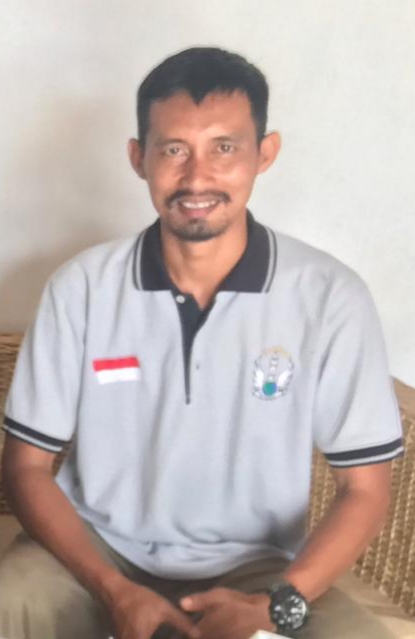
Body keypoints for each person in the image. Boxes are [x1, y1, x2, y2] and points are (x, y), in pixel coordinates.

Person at [0, 47, 403, 639]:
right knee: (9, 602)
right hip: (95, 553)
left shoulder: (329, 296)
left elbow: (364, 489)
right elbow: (26, 467)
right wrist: (113, 589)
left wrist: (276, 603)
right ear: (138, 158)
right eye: (173, 149)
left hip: (259, 566)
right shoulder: (82, 287)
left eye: (224, 148)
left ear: (264, 153)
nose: (196, 178)